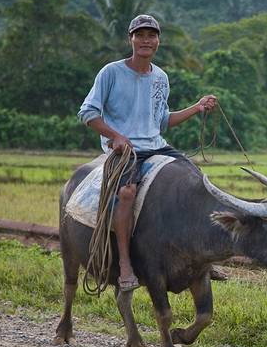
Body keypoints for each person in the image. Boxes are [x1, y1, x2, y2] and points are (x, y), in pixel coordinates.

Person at [78, 14, 217, 291]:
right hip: (125, 149)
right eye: (140, 35)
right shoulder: (111, 72)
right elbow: (87, 113)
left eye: (151, 35)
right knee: (127, 193)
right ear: (130, 38)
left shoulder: (161, 77)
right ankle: (126, 264)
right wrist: (116, 136)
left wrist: (197, 107)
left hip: (156, 145)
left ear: (158, 41)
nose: (145, 40)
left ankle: (201, 260)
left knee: (196, 181)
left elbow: (162, 120)